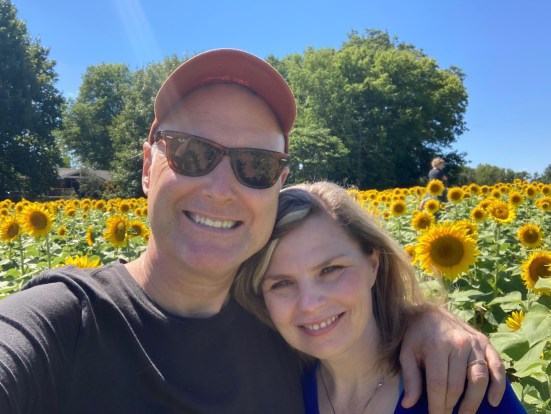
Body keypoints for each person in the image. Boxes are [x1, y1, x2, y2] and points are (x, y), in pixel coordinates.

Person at [0, 49, 504, 413]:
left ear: (277, 183)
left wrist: (425, 320)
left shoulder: (281, 326)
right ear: (148, 166)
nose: (221, 188)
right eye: (191, 153)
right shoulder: (64, 326)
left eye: (255, 165)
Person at [234, 181, 525, 413]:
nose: (310, 303)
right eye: (281, 283)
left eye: (330, 269)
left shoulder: (462, 383)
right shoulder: (274, 391)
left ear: (373, 264)